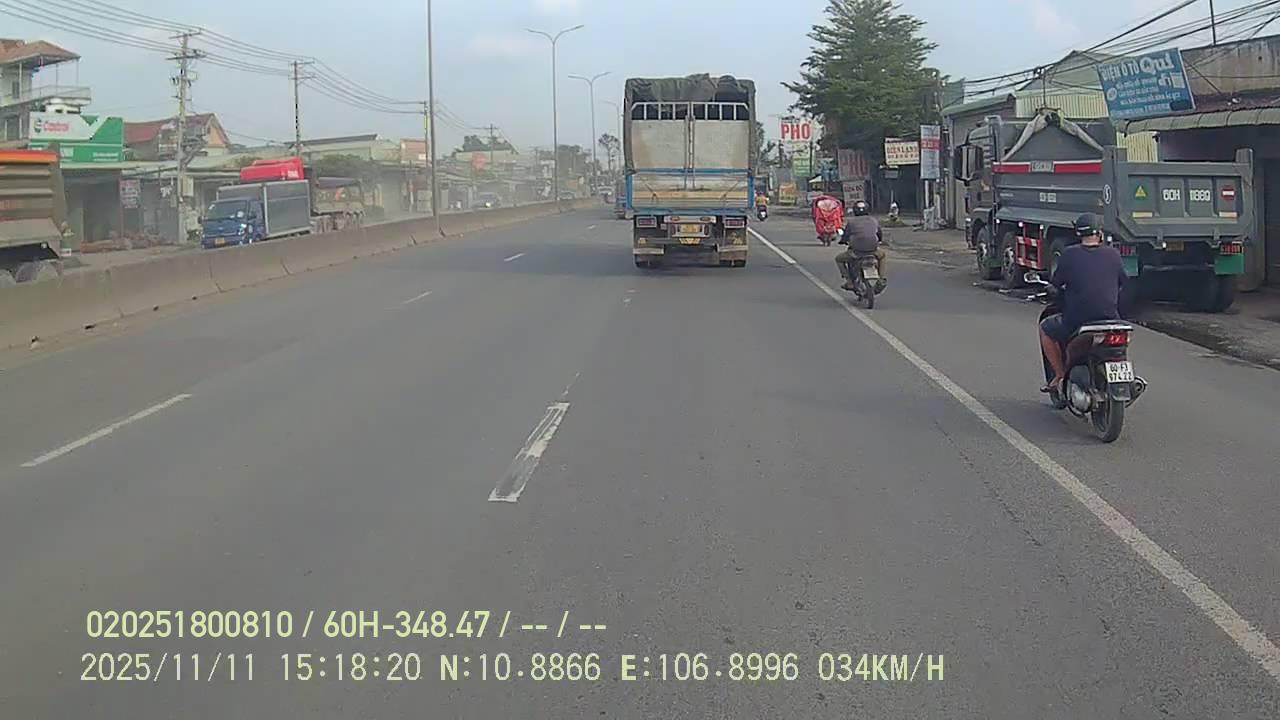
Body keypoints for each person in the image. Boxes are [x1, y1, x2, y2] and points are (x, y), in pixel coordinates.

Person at [1038, 212, 1128, 393]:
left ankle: (1059, 376)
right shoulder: (1113, 254)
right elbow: (1122, 282)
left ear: (1078, 233)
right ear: (1099, 232)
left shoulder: (1069, 255)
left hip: (1078, 320)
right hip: (1111, 319)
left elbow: (1056, 284)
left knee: (1045, 329)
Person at [835, 201, 886, 291]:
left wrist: (842, 241)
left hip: (856, 252)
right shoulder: (873, 220)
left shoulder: (851, 222)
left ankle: (849, 281)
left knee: (838, 259)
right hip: (873, 251)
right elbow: (879, 233)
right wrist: (880, 240)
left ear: (855, 211)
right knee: (882, 256)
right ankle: (881, 279)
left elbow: (846, 235)